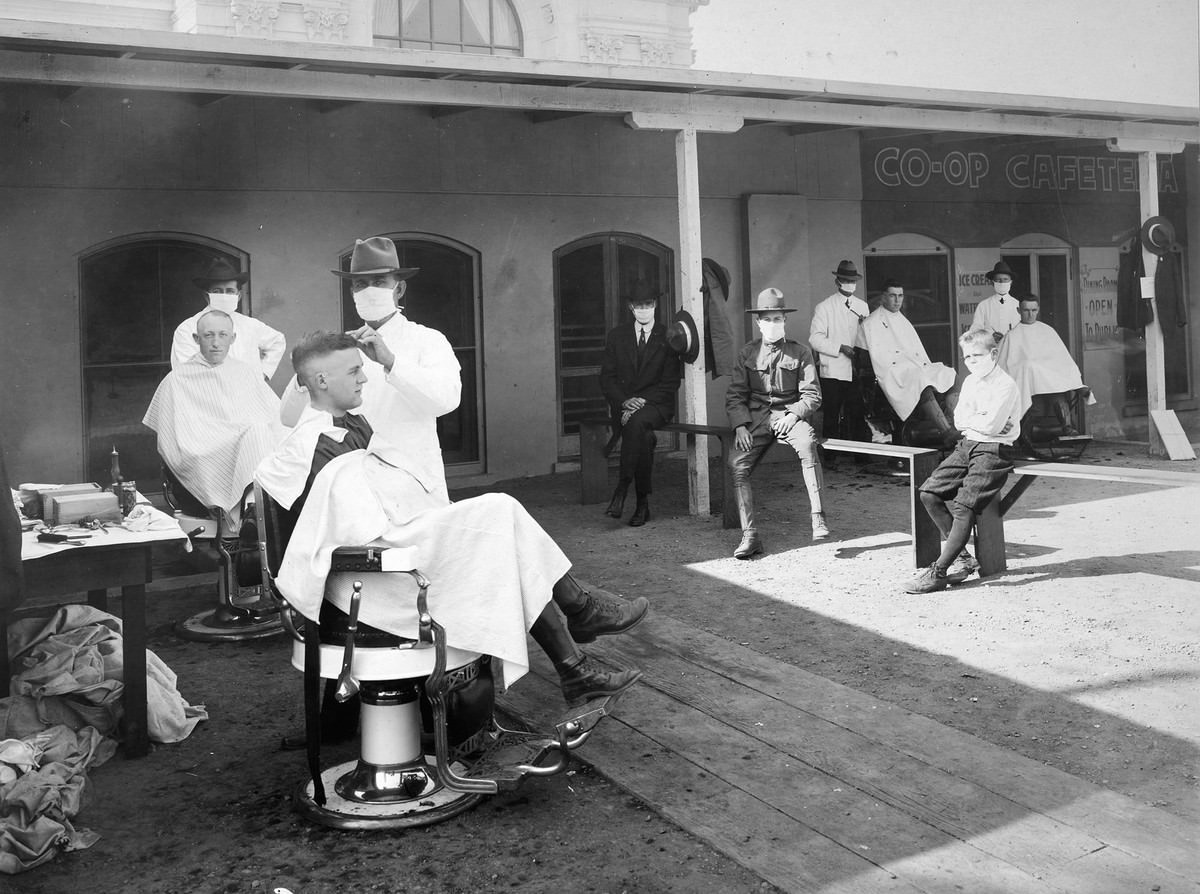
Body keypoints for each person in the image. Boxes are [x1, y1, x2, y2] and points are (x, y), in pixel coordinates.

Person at [257, 332, 648, 736]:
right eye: (354, 370)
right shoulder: (307, 447)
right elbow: (348, 529)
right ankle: (578, 629)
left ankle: (576, 658)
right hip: (369, 583)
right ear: (320, 380)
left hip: (390, 557)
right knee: (498, 512)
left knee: (498, 529)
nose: (364, 379)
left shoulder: (353, 425)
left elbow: (388, 496)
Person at [279, 236, 461, 504]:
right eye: (360, 285)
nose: (369, 291)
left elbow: (446, 401)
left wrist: (391, 362)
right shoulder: (339, 349)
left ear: (399, 289)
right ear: (352, 293)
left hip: (412, 478)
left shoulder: (427, 340)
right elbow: (288, 417)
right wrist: (307, 370)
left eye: (379, 282)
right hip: (355, 484)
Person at [145, 309, 285, 530]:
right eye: (209, 335)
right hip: (204, 455)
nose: (216, 343)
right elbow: (174, 443)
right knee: (256, 434)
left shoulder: (247, 373)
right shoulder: (176, 380)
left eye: (223, 335)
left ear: (233, 339)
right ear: (196, 339)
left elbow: (276, 419)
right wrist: (233, 438)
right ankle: (250, 514)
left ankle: (253, 511)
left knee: (261, 433)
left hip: (249, 448)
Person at [904, 328, 1020, 594]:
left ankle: (938, 572)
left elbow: (991, 426)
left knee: (963, 506)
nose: (971, 362)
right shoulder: (969, 382)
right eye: (967, 357)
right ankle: (964, 559)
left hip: (994, 449)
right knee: (929, 493)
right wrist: (981, 421)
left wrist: (979, 422)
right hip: (967, 444)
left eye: (977, 356)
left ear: (993, 354)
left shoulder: (1005, 384)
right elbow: (959, 420)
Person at [725, 288, 828, 560]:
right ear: (758, 323)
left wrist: (793, 415)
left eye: (778, 319)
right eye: (768, 319)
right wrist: (740, 426)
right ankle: (750, 536)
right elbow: (735, 395)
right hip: (756, 418)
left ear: (785, 321)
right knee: (737, 465)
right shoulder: (747, 353)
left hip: (790, 414)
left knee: (808, 446)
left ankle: (818, 517)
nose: (773, 324)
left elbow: (812, 394)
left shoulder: (800, 352)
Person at [598, 283, 683, 526]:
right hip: (624, 407)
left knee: (637, 423)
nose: (644, 309)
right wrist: (625, 401)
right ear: (631, 308)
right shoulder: (617, 336)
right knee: (643, 437)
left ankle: (622, 487)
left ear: (655, 305)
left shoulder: (668, 337)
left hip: (656, 405)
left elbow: (670, 382)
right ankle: (642, 504)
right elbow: (607, 378)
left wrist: (641, 401)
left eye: (648, 304)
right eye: (639, 305)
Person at [856, 279, 959, 446]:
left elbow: (915, 352)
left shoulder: (901, 319)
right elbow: (876, 359)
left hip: (913, 366)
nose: (897, 300)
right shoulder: (871, 323)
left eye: (900, 296)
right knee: (921, 380)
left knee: (951, 375)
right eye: (892, 296)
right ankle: (946, 432)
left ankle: (951, 423)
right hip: (891, 373)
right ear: (883, 297)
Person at [997, 294, 1096, 445]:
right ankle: (1026, 435)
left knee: (1057, 393)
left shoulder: (1047, 331)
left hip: (1049, 381)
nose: (1030, 314)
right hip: (1027, 384)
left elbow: (1061, 358)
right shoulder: (1012, 336)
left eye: (1033, 310)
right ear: (1018, 310)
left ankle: (1067, 427)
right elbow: (1006, 364)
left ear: (1038, 310)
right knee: (1031, 369)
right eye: (1026, 310)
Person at [171, 257, 286, 378]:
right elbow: (185, 371)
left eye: (230, 291)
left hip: (248, 392)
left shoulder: (250, 325)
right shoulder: (188, 328)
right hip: (206, 393)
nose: (224, 295)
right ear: (207, 296)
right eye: (217, 291)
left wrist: (262, 375)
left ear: (239, 296)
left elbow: (277, 341)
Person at [809, 260, 870, 442]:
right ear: (837, 281)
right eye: (846, 280)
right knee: (831, 416)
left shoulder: (862, 306)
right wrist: (840, 348)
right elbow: (815, 339)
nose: (850, 284)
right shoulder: (825, 307)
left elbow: (868, 337)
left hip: (855, 370)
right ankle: (831, 458)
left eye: (853, 281)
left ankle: (861, 456)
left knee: (858, 414)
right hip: (833, 370)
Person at [971, 261, 1021, 338]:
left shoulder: (1018, 304)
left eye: (1005, 279)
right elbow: (975, 331)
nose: (1002, 282)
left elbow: (1023, 331)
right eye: (998, 280)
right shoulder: (983, 305)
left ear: (1011, 282)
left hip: (1012, 348)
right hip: (991, 348)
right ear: (992, 283)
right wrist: (990, 337)